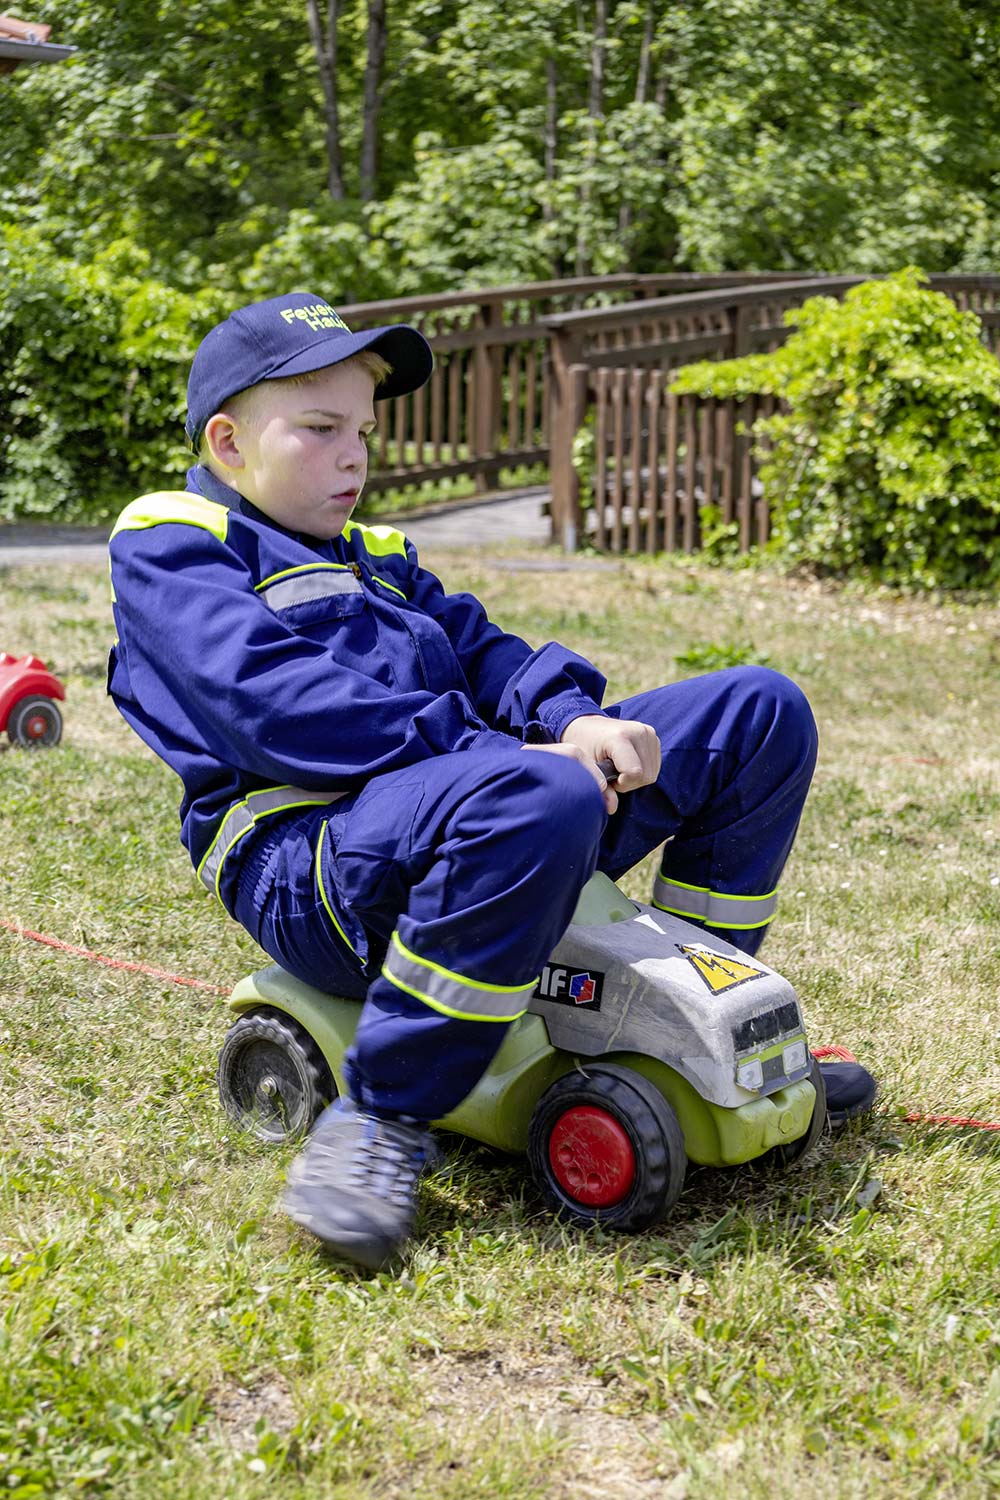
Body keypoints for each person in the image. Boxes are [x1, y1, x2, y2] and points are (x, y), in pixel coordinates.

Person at [107, 291, 877, 1271]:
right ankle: (379, 1122)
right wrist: (506, 760)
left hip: (490, 808)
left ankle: (692, 1026)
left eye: (365, 433)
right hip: (313, 863)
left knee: (756, 710)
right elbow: (274, 705)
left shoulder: (374, 555)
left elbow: (487, 654)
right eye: (320, 429)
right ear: (228, 442)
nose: (355, 455)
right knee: (539, 793)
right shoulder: (173, 541)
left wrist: (573, 720)